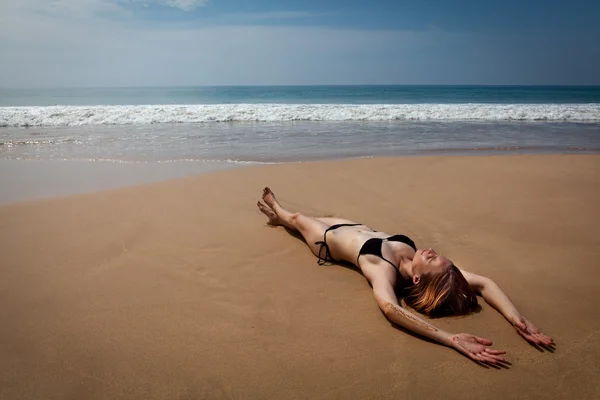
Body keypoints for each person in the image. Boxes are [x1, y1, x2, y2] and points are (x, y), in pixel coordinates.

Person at [257, 187, 553, 366]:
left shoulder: (381, 270)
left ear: (417, 281)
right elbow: (485, 283)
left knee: (296, 219)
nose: (432, 251)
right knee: (322, 214)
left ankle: (277, 211)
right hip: (356, 226)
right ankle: (279, 218)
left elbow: (390, 308)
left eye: (433, 259)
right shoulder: (424, 265)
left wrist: (450, 339)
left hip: (326, 241)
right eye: (438, 255)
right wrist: (516, 318)